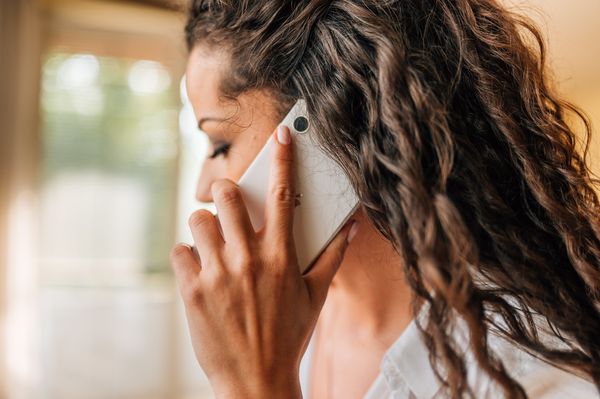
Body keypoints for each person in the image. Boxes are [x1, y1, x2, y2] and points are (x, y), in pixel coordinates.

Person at [169, 0, 600, 398]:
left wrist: (253, 385)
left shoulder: (531, 378)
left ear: (332, 128)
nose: (203, 188)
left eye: (220, 144)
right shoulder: (270, 311)